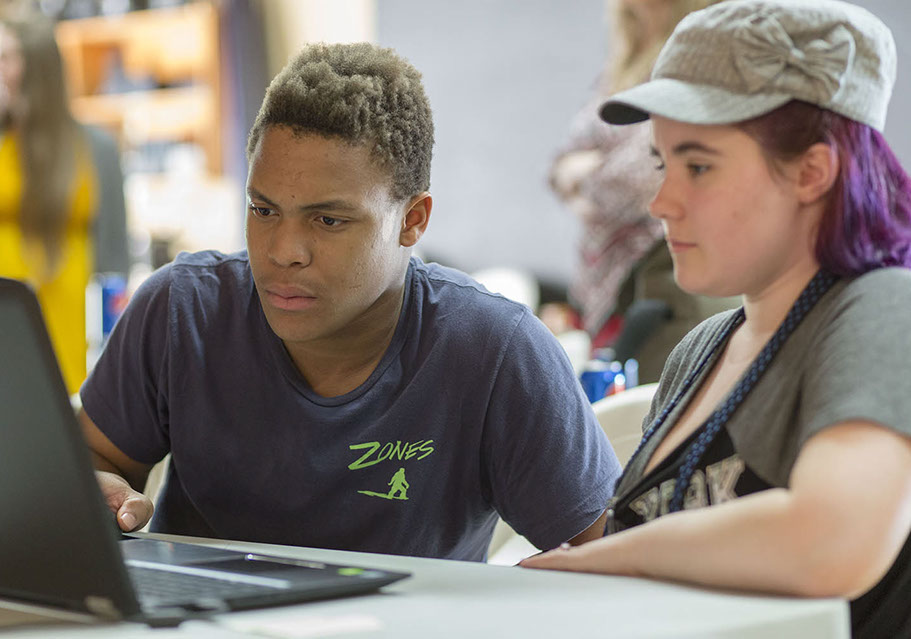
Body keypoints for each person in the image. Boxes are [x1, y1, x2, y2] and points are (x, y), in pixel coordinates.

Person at [79, 42, 622, 561]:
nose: (283, 251)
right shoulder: (182, 310)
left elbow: (616, 560)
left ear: (412, 220)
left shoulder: (496, 353)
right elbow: (96, 457)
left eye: (328, 220)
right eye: (264, 210)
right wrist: (92, 487)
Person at [522, 1, 911, 636]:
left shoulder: (884, 308)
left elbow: (830, 541)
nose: (662, 202)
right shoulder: (701, 348)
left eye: (698, 166)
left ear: (813, 171)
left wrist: (604, 559)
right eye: (661, 162)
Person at [548, 0, 737, 383]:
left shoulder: (698, 55)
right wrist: (580, 172)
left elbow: (638, 181)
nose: (666, 200)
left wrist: (581, 176)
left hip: (659, 275)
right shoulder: (620, 63)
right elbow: (559, 164)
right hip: (605, 283)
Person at [0, 13, 128, 392]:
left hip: (75, 337)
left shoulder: (97, 149)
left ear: (38, 64)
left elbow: (116, 260)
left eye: (4, 58)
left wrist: (117, 350)